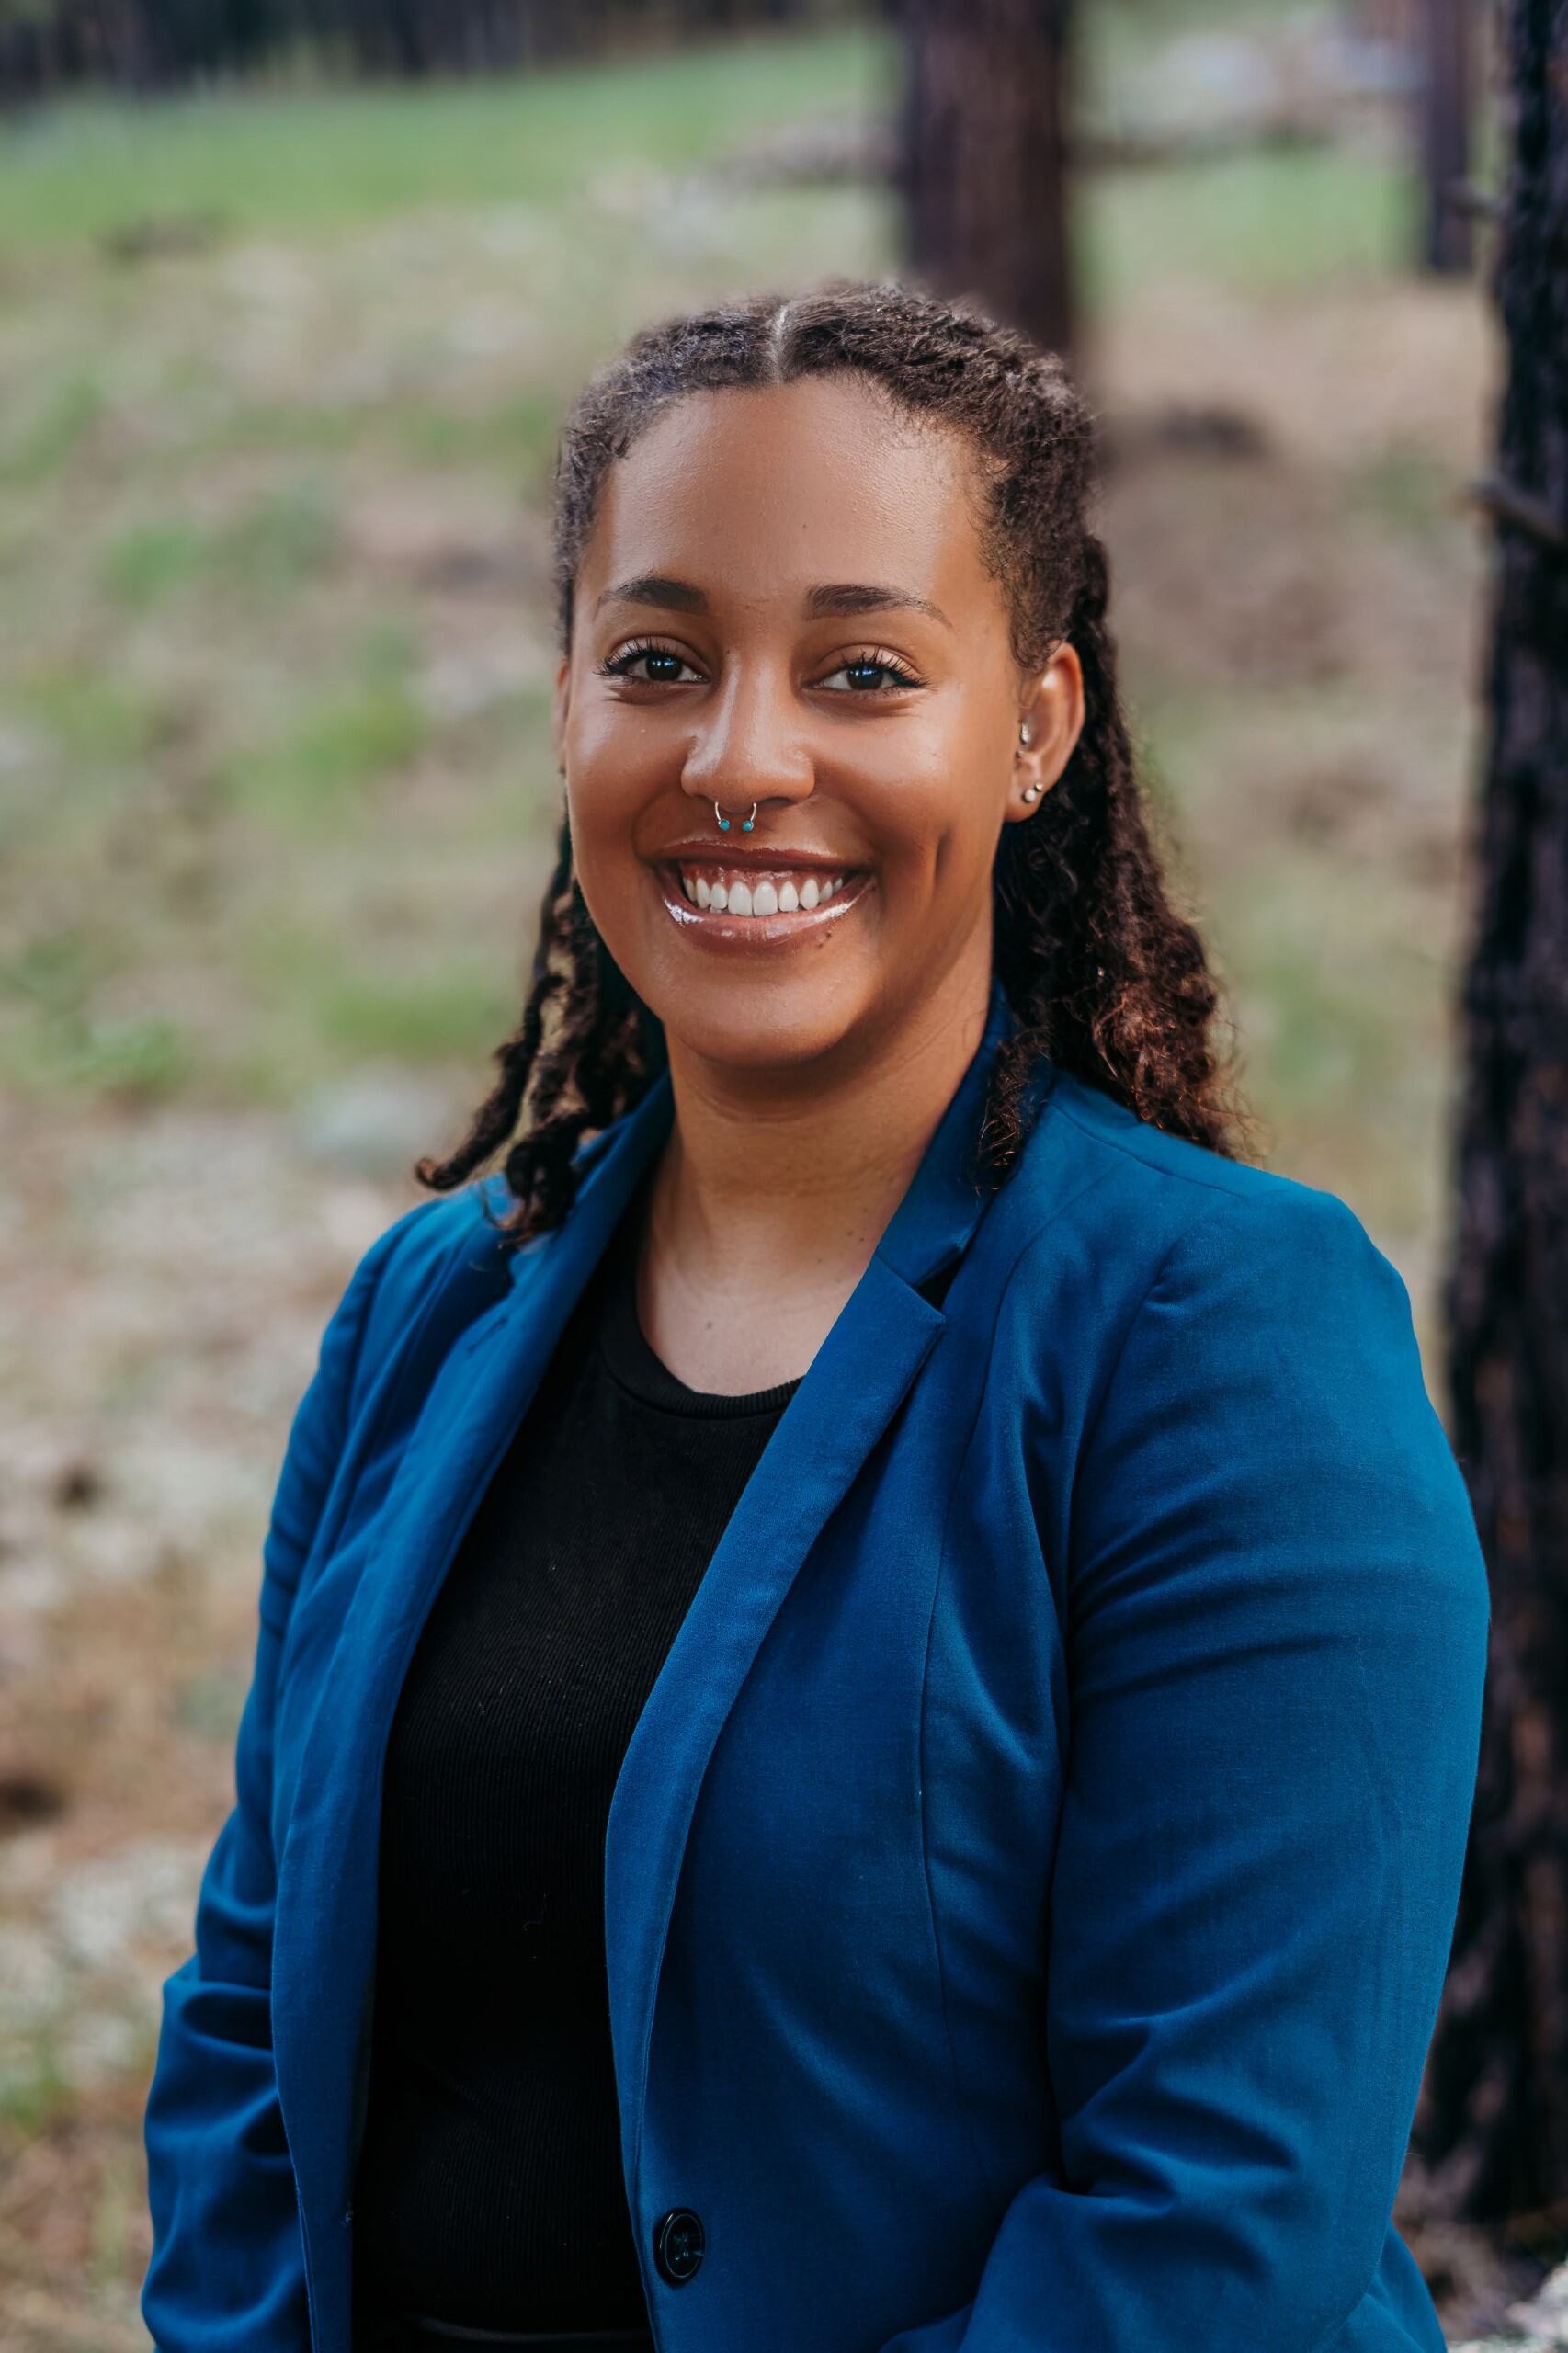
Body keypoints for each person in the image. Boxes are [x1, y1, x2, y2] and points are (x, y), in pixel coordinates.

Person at [140, 278, 1490, 2353]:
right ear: (569, 698)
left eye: (863, 669)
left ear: (1032, 723)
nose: (741, 758)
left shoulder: (1221, 1338)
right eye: (658, 660)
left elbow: (1209, 2232)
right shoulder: (432, 1309)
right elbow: (248, 2017)